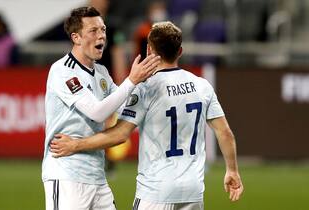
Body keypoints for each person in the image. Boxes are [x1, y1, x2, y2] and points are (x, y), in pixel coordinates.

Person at [50, 21, 244, 210]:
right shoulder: (202, 86)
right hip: (193, 191)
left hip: (156, 190)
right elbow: (225, 133)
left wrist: (76, 144)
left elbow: (120, 135)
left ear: (150, 50)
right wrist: (232, 170)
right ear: (180, 51)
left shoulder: (146, 88)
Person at [42, 6, 160, 210]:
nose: (101, 36)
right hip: (67, 174)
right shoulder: (62, 71)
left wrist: (149, 86)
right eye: (93, 31)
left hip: (96, 175)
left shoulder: (102, 73)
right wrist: (132, 80)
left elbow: (124, 102)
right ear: (76, 37)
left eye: (103, 30)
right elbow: (98, 113)